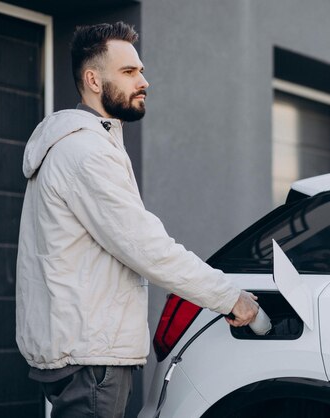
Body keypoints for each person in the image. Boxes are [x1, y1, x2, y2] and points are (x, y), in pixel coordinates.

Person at [15, 22, 259, 417]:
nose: (143, 81)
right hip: (92, 359)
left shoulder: (77, 146)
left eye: (141, 70)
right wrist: (228, 297)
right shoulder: (86, 153)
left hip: (78, 350)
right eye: (129, 72)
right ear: (94, 80)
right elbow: (148, 248)